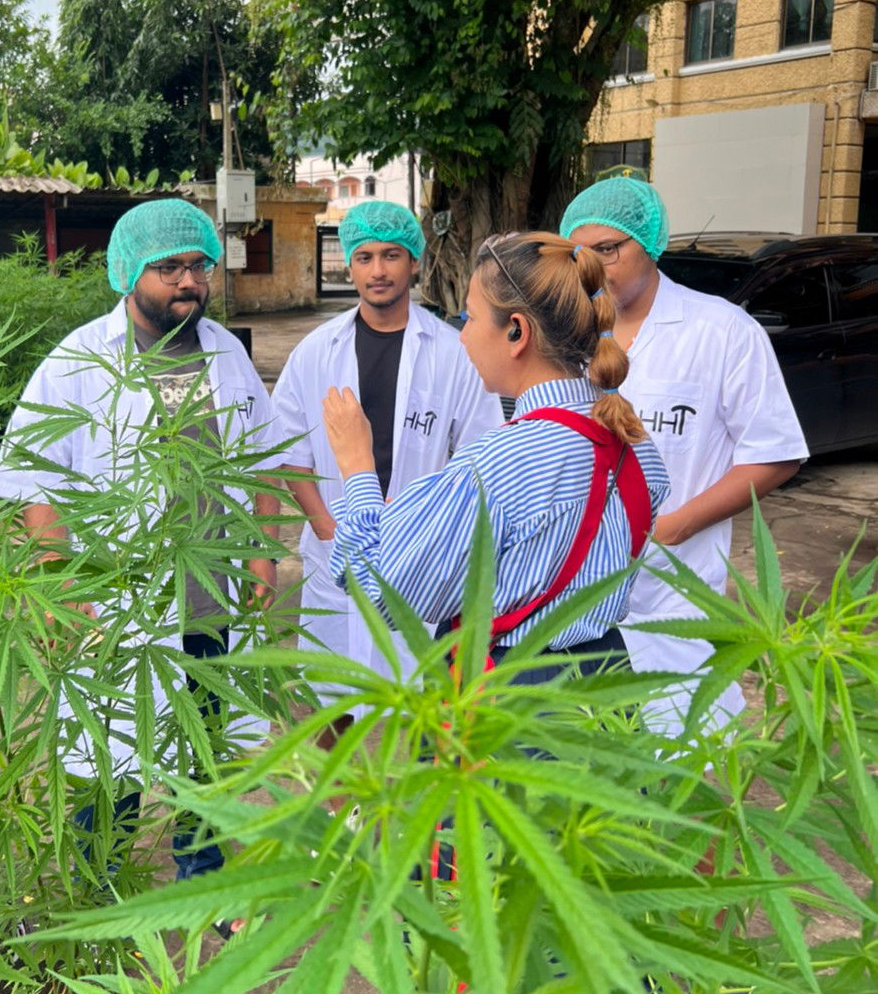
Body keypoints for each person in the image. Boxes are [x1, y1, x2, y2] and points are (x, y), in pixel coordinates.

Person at [0, 198, 281, 883]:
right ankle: (100, 879)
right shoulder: (78, 360)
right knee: (114, 750)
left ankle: (199, 872)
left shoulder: (226, 352)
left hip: (215, 592)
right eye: (169, 268)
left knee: (206, 743)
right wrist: (63, 584)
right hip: (120, 601)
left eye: (199, 267)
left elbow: (263, 459)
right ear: (129, 273)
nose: (189, 282)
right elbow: (35, 482)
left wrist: (264, 554)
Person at [321, 231, 669, 679]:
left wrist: (357, 469)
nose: (462, 336)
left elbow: (384, 593)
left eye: (470, 317)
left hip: (511, 696)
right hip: (607, 681)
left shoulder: (497, 465)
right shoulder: (636, 445)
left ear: (516, 331)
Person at [559, 176, 807, 738]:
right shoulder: (569, 337)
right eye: (579, 254)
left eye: (608, 249)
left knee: (677, 756)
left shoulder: (720, 331)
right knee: (589, 763)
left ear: (650, 244)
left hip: (675, 597)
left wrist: (674, 527)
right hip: (574, 599)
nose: (594, 268)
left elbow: (775, 455)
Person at [271, 199, 502, 724]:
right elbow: (289, 452)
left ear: (414, 261)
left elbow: (480, 455)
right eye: (365, 257)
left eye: (392, 255)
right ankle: (336, 782)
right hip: (332, 553)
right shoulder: (314, 351)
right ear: (350, 266)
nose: (378, 270)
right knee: (329, 698)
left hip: (419, 558)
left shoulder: (452, 352)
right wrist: (327, 529)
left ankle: (408, 777)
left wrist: (434, 531)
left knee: (420, 702)